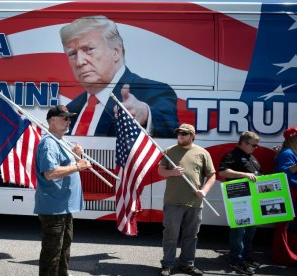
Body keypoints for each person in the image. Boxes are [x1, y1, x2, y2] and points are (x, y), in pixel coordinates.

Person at [60, 15, 179, 138]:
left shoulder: (155, 92)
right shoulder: (71, 109)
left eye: (89, 49)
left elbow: (173, 131)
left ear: (116, 52)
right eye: (72, 53)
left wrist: (146, 115)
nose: (80, 62)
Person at [34, 105, 92, 276]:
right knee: (52, 254)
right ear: (52, 121)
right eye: (65, 118)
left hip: (63, 207)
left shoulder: (60, 141)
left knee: (63, 251)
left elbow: (63, 166)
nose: (69, 121)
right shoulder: (49, 144)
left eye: (69, 118)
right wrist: (77, 165)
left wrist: (75, 156)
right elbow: (50, 173)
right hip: (54, 208)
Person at [158, 123, 216, 276]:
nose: (181, 136)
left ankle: (187, 264)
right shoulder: (169, 151)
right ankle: (167, 265)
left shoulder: (202, 153)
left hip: (195, 202)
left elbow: (212, 175)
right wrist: (172, 172)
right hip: (173, 201)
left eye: (184, 134)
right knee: (171, 235)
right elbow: (160, 171)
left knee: (191, 236)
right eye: (179, 133)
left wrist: (204, 191)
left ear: (192, 136)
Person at [218, 131, 262, 275]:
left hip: (253, 199)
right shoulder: (232, 155)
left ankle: (246, 257)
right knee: (239, 232)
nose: (256, 147)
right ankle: (236, 260)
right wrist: (244, 174)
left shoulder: (252, 158)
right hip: (239, 199)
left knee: (251, 230)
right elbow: (223, 172)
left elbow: (257, 176)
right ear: (243, 142)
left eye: (256, 145)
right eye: (253, 145)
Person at [272, 126, 297, 265]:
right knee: (283, 225)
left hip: (292, 191)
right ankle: (282, 255)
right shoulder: (287, 153)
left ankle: (289, 253)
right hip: (288, 191)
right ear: (293, 138)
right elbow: (285, 174)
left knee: (290, 225)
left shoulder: (291, 152)